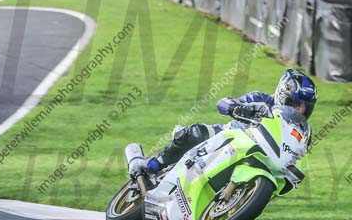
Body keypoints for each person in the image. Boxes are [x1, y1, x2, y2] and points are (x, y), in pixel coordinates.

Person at [134, 69, 318, 176]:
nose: (300, 111)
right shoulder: (260, 99)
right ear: (282, 95)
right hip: (229, 136)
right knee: (194, 132)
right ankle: (154, 164)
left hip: (263, 157)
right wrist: (235, 107)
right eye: (295, 104)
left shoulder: (302, 133)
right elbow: (223, 103)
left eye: (305, 107)